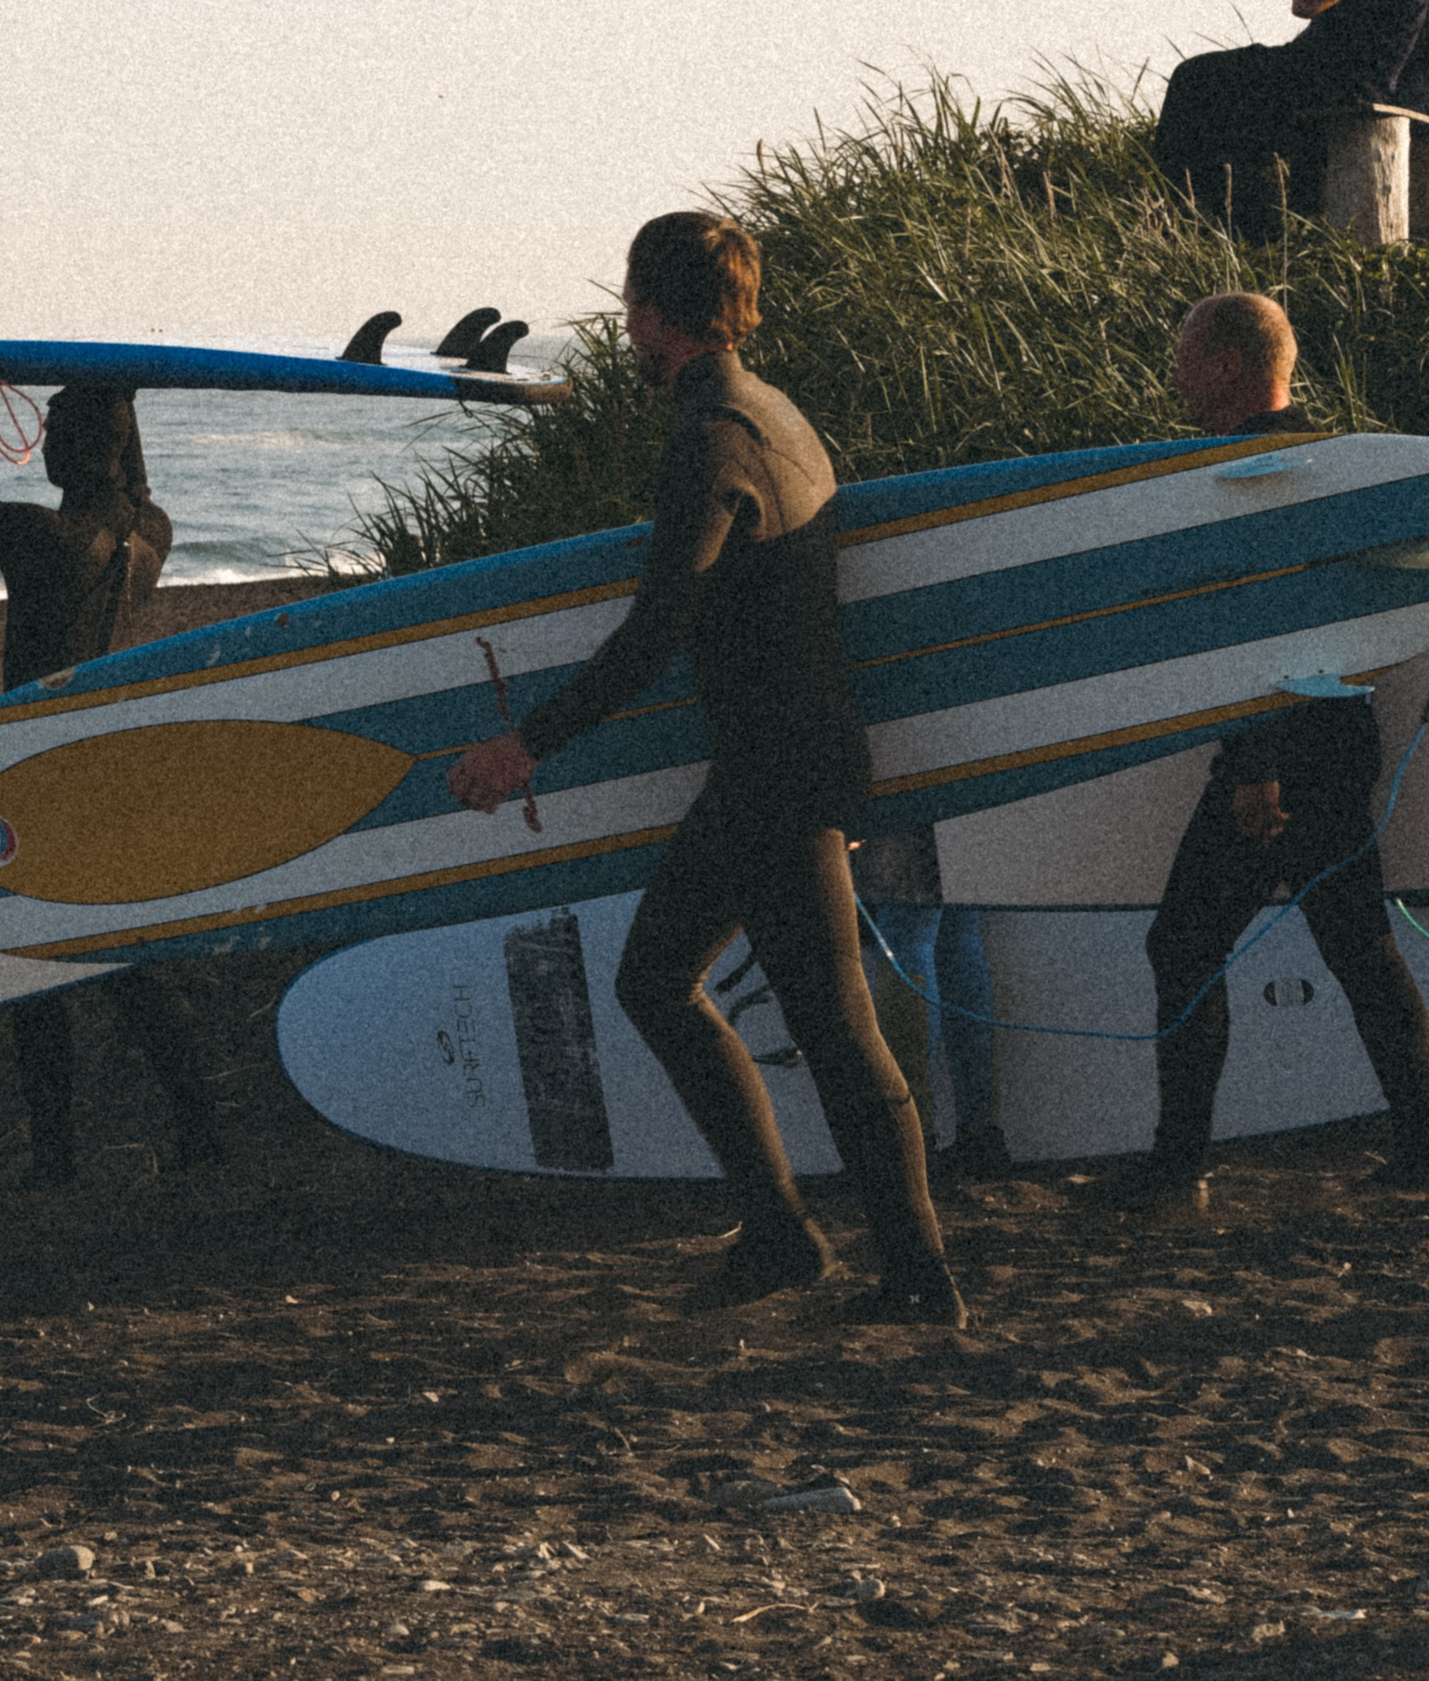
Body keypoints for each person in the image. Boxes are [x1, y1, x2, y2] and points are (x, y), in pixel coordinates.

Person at [448, 212, 961, 1325]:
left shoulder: (714, 433)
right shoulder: (768, 408)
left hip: (780, 769)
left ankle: (913, 1279)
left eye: (628, 305)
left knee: (829, 1025)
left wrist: (521, 747)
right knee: (664, 983)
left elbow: (653, 631)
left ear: (650, 311)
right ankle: (786, 1237)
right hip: (787, 758)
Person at [1084, 292, 1429, 1213]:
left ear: (1234, 366)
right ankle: (1421, 1144)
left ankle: (1178, 1164)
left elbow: (1277, 627)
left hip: (1287, 753)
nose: (1176, 378)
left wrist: (1255, 766)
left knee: (1187, 943)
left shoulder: (1265, 470)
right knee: (1357, 948)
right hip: (1329, 743)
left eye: (1188, 359)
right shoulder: (1328, 459)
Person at [0, 340, 226, 1186]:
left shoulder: (40, 537)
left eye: (51, 432)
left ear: (75, 450)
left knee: (32, 963)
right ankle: (200, 1126)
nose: (40, 445)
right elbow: (137, 485)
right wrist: (117, 382)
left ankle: (54, 1157)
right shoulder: (149, 533)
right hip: (108, 760)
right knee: (125, 957)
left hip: (35, 767)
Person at [1153, 0, 1429, 243]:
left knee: (1195, 80)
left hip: (1340, 83)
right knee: (1219, 95)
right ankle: (1250, 230)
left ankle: (1217, 231)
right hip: (1341, 75)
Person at [849, 828, 1006, 1184]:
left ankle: (912, 1146)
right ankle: (981, 1138)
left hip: (910, 786)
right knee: (958, 934)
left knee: (906, 929)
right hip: (966, 787)